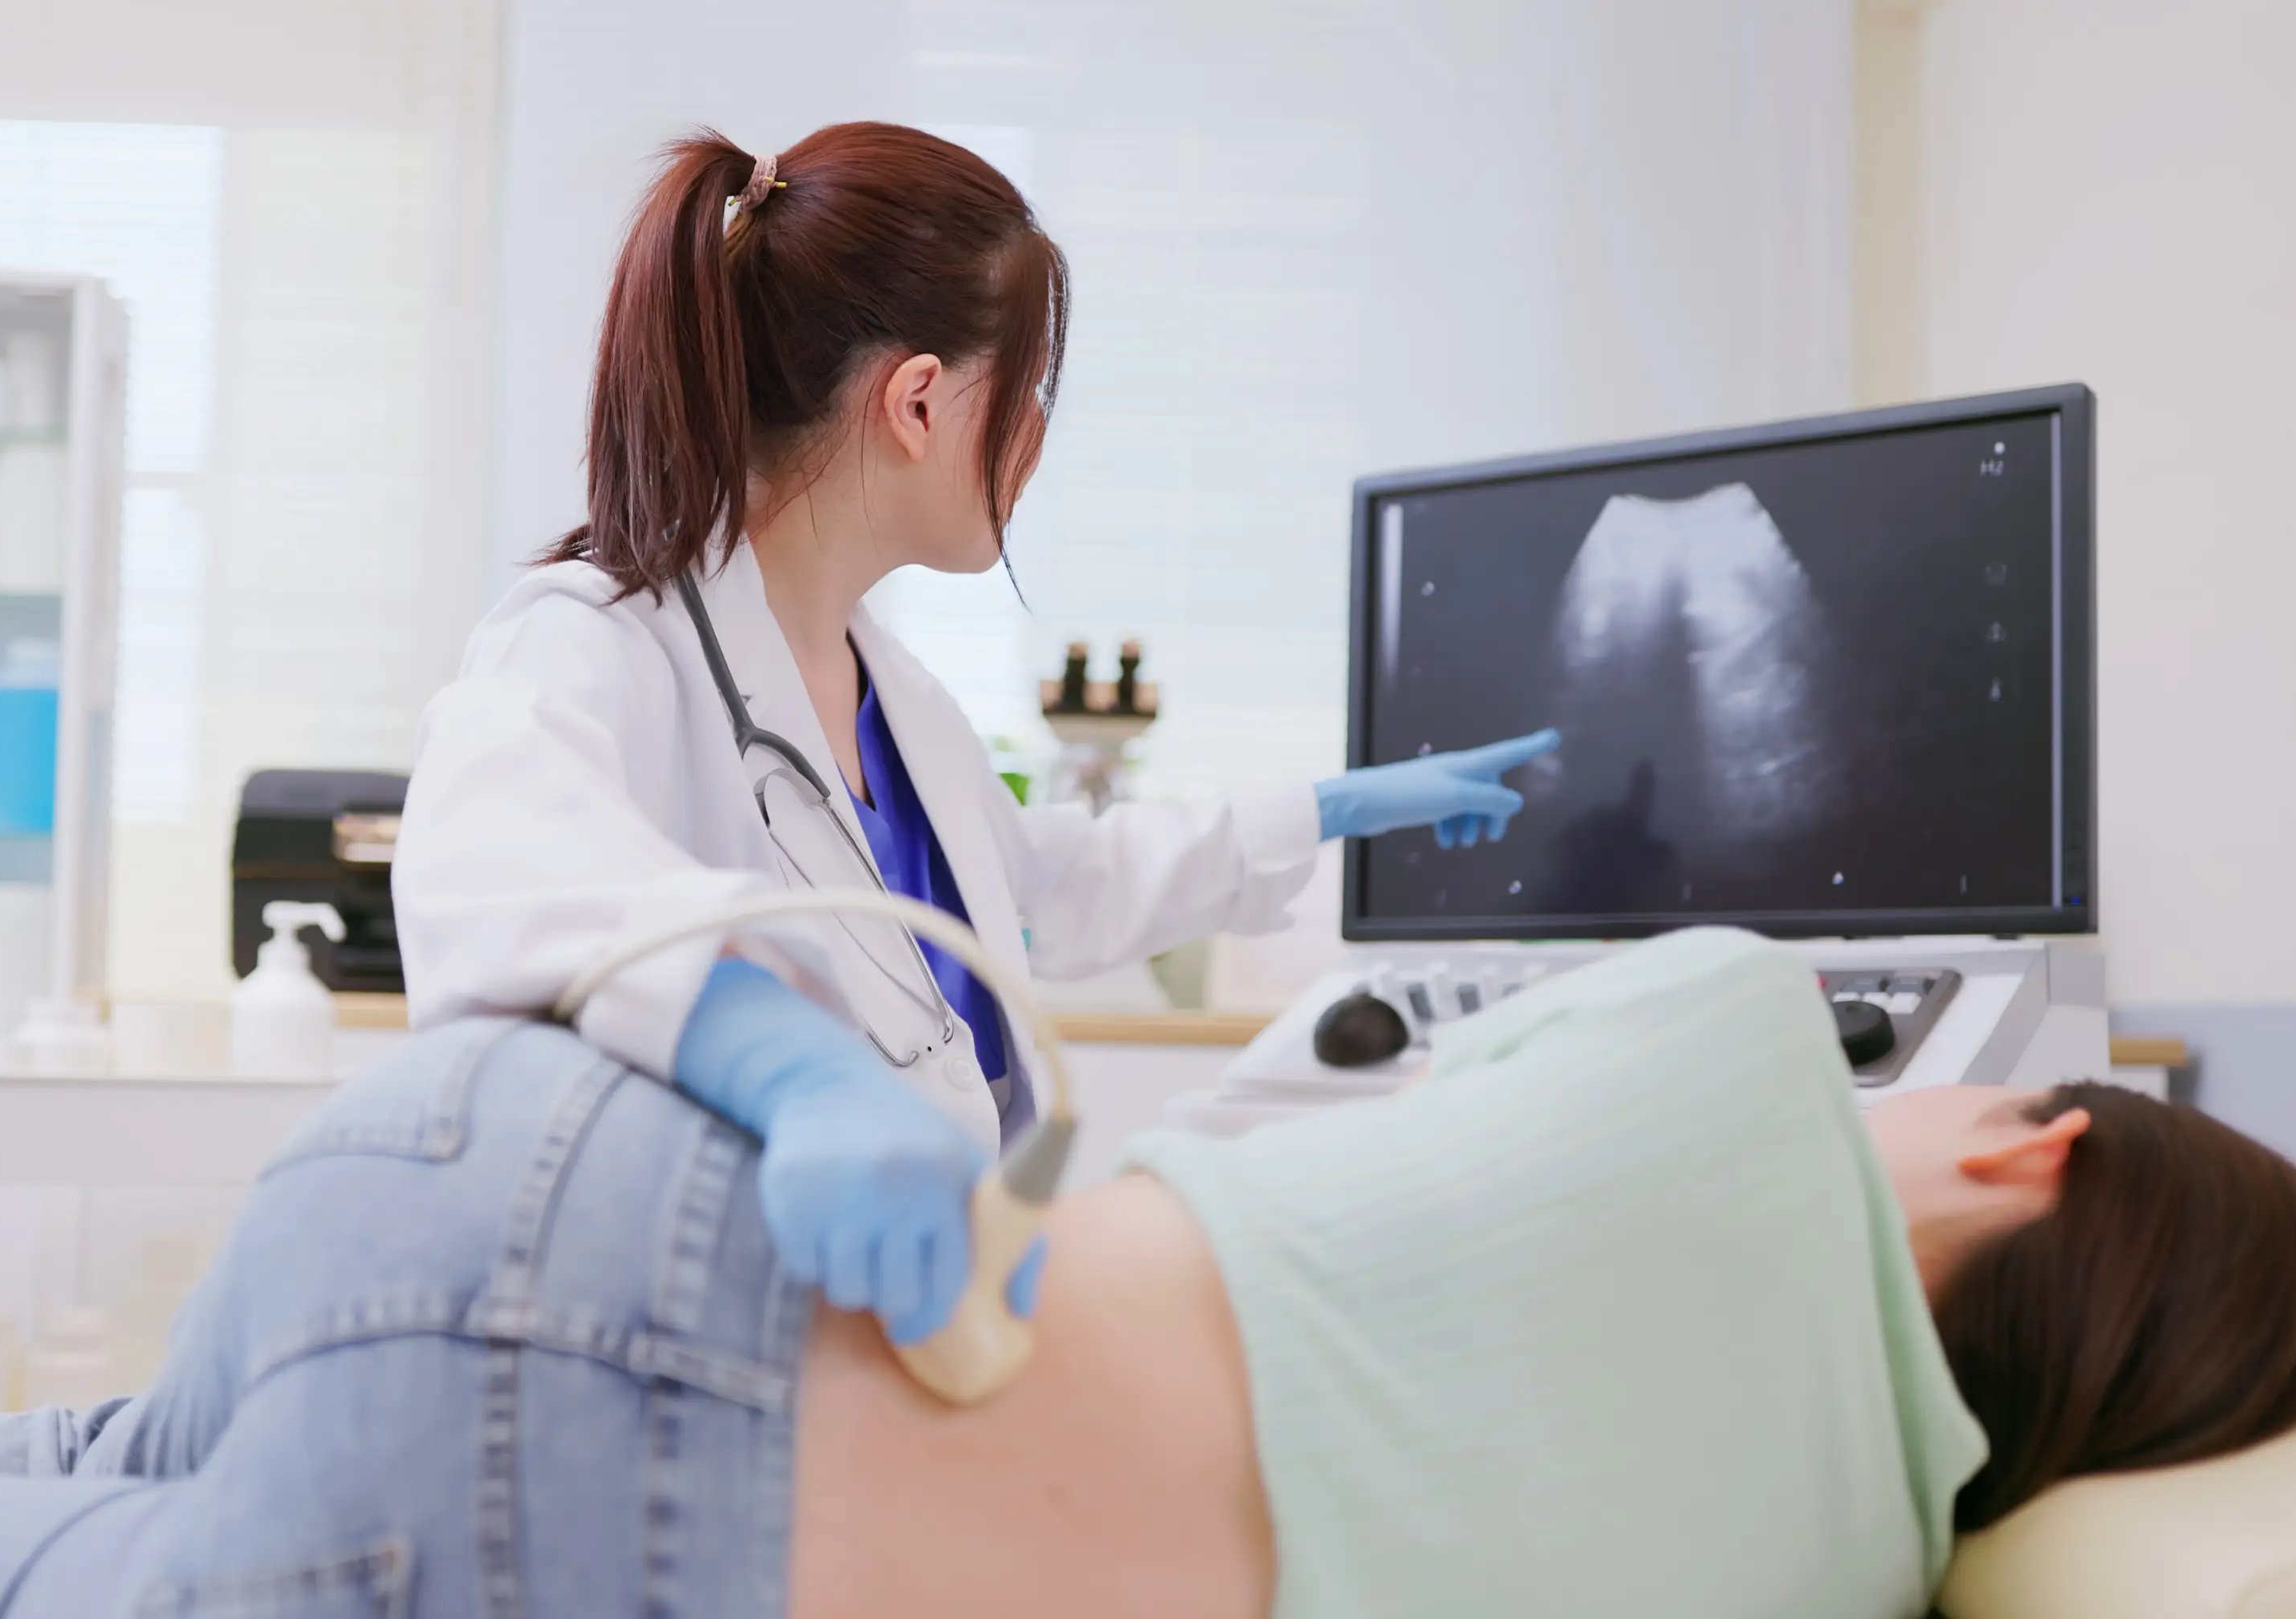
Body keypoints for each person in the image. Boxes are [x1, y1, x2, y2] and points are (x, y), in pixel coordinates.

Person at [0, 930, 2296, 1619]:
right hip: (568, 1501)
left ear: (2041, 1155)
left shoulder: (1740, 1028)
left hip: (558, 1207)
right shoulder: (1815, 1584)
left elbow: (1269, 1149)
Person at [393, 122, 1559, 1346]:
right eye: (1034, 394)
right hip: (696, 1366)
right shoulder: (596, 640)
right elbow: (499, 874)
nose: (1039, 444)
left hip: (912, 1348)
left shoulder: (894, 693)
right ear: (920, 400)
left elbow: (1030, 893)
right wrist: (785, 1060)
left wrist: (1322, 809)